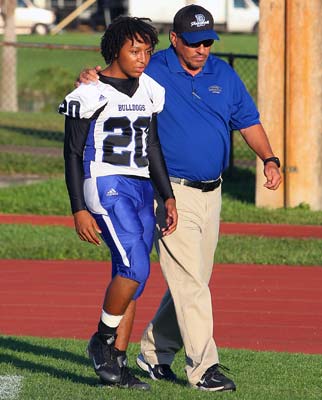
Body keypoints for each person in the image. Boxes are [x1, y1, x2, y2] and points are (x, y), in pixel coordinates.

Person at [78, 4, 282, 392]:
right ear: (175, 40)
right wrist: (87, 76)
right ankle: (204, 368)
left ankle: (154, 353)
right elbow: (111, 75)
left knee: (194, 279)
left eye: (207, 41)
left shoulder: (223, 73)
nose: (202, 49)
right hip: (170, 192)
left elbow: (248, 120)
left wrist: (268, 159)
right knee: (191, 282)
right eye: (193, 42)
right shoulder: (154, 69)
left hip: (213, 192)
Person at [59, 16, 177, 391]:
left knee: (132, 278)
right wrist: (78, 206)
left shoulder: (150, 90)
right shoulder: (89, 92)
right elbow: (73, 152)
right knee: (134, 267)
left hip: (141, 186)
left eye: (147, 51)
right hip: (105, 182)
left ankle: (118, 364)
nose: (142, 58)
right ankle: (102, 341)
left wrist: (168, 194)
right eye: (134, 50)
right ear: (115, 49)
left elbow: (153, 146)